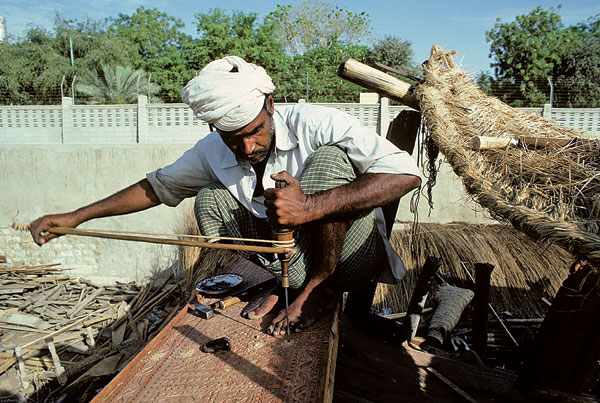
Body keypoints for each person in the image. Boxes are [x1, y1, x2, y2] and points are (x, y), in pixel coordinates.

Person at [30, 56, 421, 337]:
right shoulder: (213, 150)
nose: (249, 147)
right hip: (285, 261)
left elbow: (407, 175)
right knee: (209, 199)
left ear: (270, 104)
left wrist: (311, 206)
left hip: (346, 262)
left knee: (328, 163)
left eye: (255, 132)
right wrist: (76, 217)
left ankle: (316, 291)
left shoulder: (318, 123)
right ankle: (272, 284)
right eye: (234, 140)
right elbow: (156, 187)